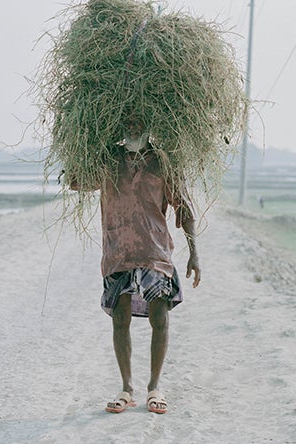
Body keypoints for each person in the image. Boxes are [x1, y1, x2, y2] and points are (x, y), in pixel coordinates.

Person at [72, 115, 200, 415]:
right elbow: (76, 181)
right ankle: (126, 388)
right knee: (120, 319)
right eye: (127, 122)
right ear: (120, 125)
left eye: (139, 122)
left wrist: (195, 253)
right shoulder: (108, 159)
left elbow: (185, 208)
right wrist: (79, 143)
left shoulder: (162, 162)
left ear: (149, 125)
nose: (133, 127)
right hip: (118, 252)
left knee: (160, 318)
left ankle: (154, 387)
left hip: (155, 251)